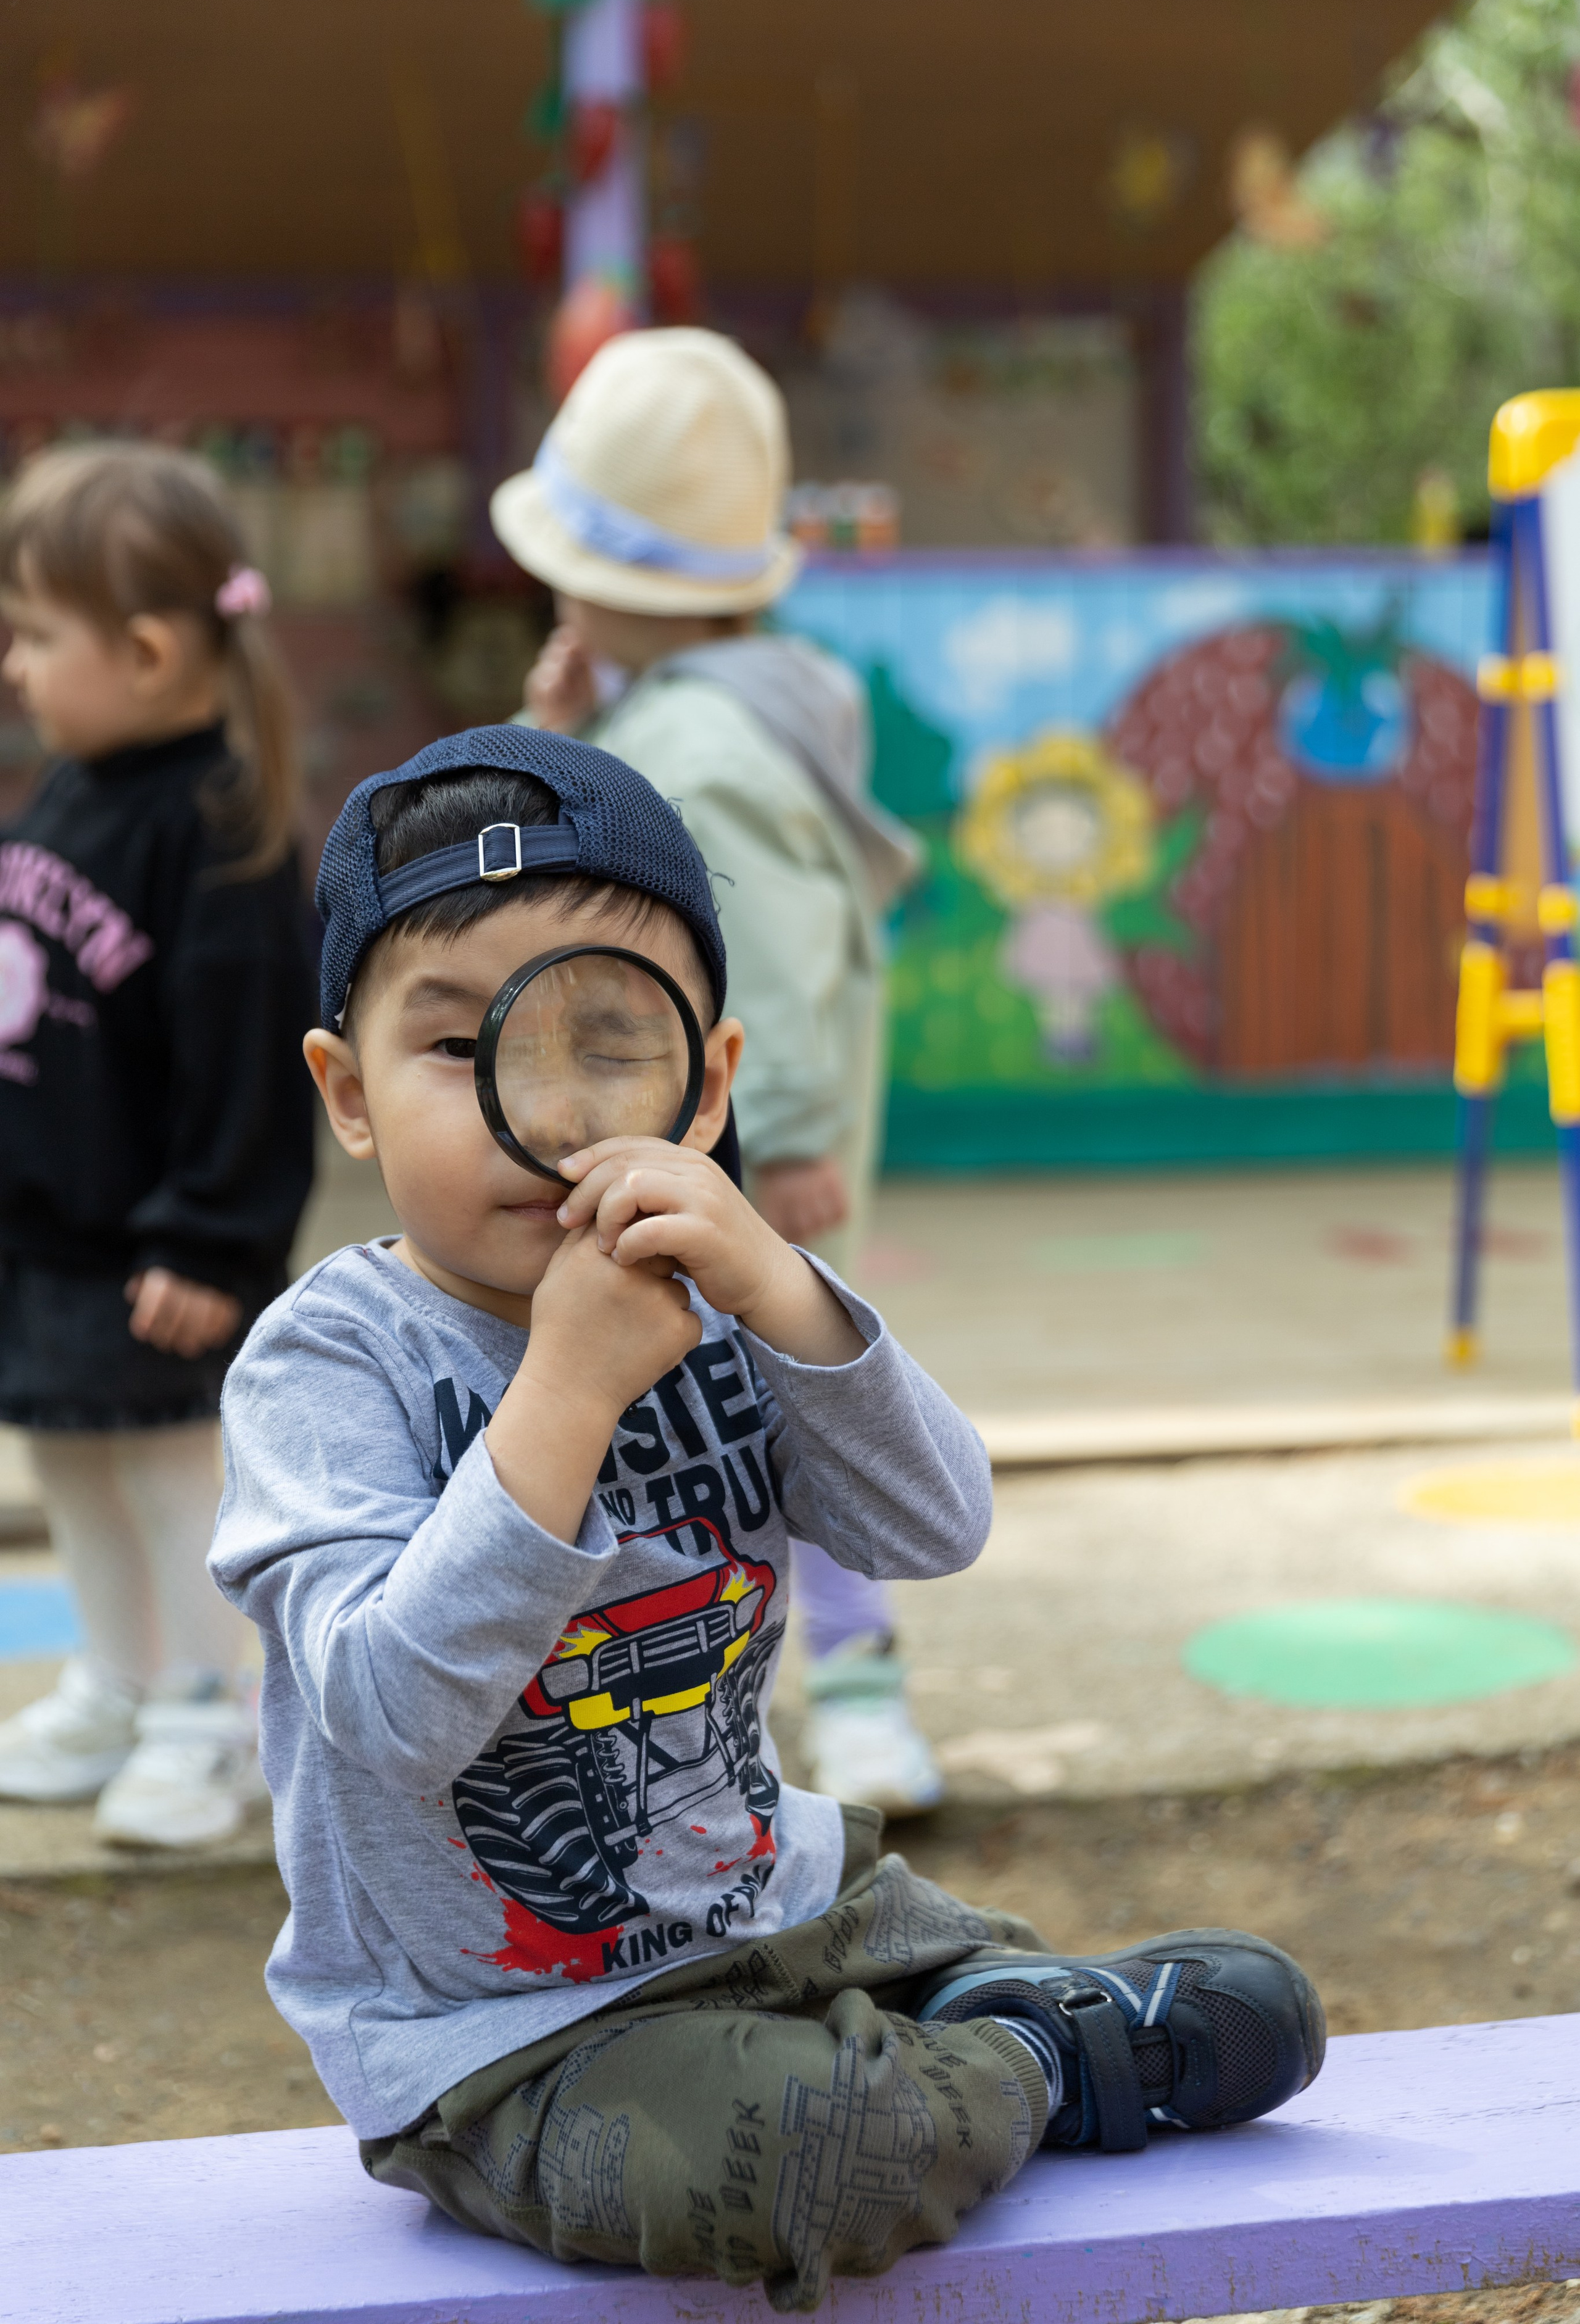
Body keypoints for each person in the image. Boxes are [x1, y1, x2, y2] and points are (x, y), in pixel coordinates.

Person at [210, 723, 1324, 2314]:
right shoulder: (326, 1366)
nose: (551, 1107)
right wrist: (567, 1387)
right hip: (506, 2042)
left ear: (708, 1079)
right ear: (350, 1095)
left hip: (793, 1915)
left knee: (1263, 2011)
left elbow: (935, 1524)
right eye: (461, 1048)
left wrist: (786, 1293)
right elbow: (389, 1715)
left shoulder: (721, 1292)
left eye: (612, 1042)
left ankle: (970, 2039)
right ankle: (1030, 2051)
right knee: (822, 2159)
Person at [494, 327, 942, 1816]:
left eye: (569, 569)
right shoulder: (739, 706)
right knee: (763, 1416)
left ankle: (856, 1694)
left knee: (775, 1415)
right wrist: (564, 733)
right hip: (728, 1156)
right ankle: (800, 1693)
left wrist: (788, 1138)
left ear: (619, 588)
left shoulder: (693, 742)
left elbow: (771, 943)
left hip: (739, 1163)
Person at [0, 444, 316, 1848]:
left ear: (143, 650)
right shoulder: (69, 789)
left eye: (33, 634)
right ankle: (118, 1682)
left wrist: (212, 1239)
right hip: (48, 1240)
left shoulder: (219, 829)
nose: (13, 665)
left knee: (168, 1477)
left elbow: (251, 1066)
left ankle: (205, 1710)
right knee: (70, 1463)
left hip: (161, 1256)